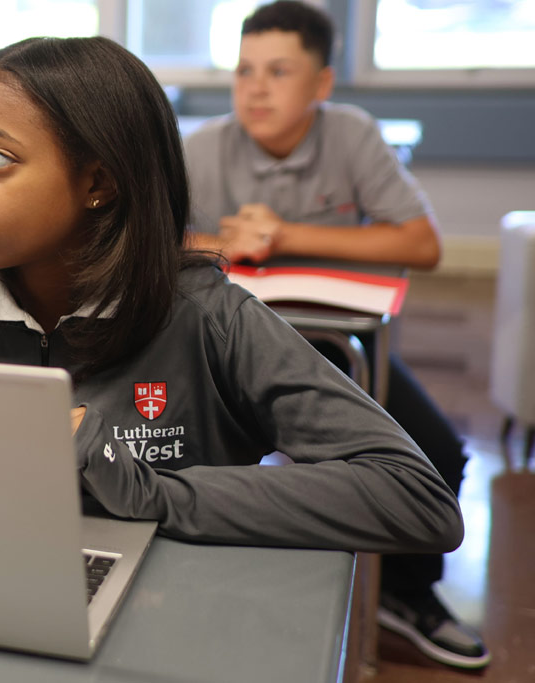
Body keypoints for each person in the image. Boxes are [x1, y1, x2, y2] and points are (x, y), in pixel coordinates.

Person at [0, 34, 462, 571]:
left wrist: (156, 494)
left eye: (0, 159)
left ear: (98, 182)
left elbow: (415, 497)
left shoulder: (205, 316)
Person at [182, 1, 488, 670]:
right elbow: (147, 237)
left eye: (279, 71)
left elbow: (422, 242)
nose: (255, 89)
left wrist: (283, 236)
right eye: (243, 70)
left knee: (435, 452)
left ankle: (406, 595)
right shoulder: (202, 145)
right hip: (229, 353)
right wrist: (221, 240)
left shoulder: (351, 135)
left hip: (333, 350)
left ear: (321, 84)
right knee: (203, 463)